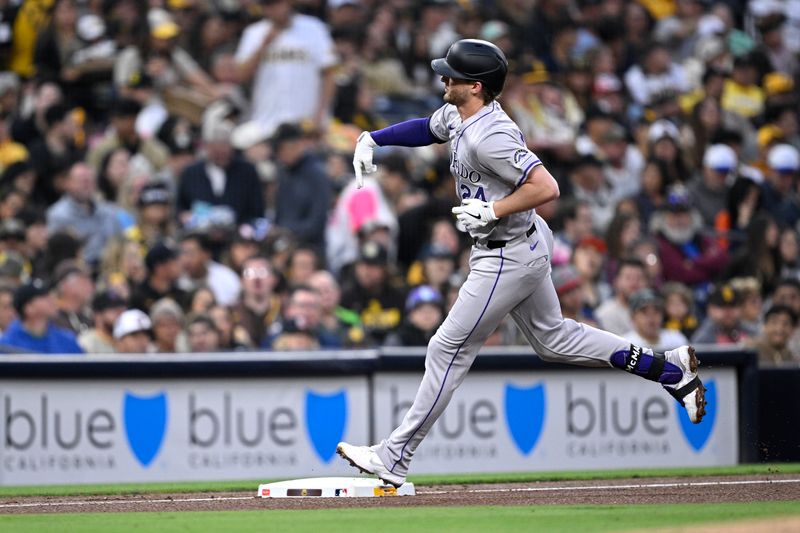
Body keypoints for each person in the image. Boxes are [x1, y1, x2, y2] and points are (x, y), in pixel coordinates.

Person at [336, 39, 706, 489]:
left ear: (475, 86)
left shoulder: (492, 135)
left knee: (446, 348)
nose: (442, 78)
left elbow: (546, 186)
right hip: (520, 244)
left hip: (505, 254)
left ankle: (394, 457)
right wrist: (374, 138)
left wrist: (494, 211)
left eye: (451, 74)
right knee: (554, 341)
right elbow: (427, 129)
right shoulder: (460, 112)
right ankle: (668, 369)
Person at [0, 280, 83, 354]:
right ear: (29, 307)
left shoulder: (67, 341)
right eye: (44, 297)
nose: (52, 300)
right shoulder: (7, 344)